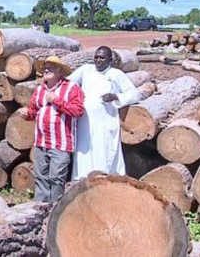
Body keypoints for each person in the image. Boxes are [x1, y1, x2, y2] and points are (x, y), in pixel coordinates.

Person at [67, 46, 139, 180]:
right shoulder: (86, 70)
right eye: (96, 57)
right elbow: (68, 83)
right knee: (84, 152)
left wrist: (115, 96)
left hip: (105, 123)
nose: (98, 60)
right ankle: (80, 180)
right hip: (85, 122)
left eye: (102, 58)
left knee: (103, 152)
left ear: (110, 60)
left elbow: (134, 94)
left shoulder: (116, 74)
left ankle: (103, 182)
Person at [19, 56, 84, 202]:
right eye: (45, 68)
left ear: (60, 71)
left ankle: (54, 211)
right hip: (41, 142)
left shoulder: (72, 88)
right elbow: (33, 111)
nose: (46, 70)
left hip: (60, 143)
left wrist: (56, 100)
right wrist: (27, 114)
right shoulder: (40, 89)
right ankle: (38, 210)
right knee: (41, 177)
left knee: (56, 179)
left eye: (50, 67)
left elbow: (78, 111)